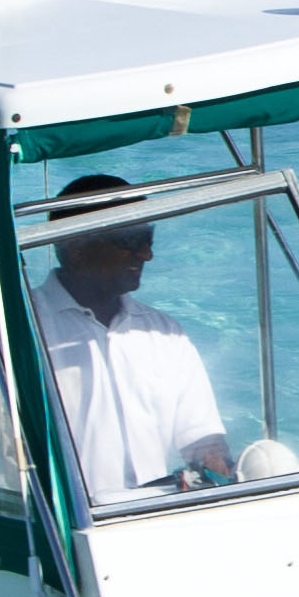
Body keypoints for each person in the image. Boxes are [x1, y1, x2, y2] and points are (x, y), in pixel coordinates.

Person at [25, 175, 236, 502]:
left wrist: (219, 474)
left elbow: (204, 441)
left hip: (154, 517)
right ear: (76, 247)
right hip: (64, 524)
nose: (146, 254)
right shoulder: (17, 330)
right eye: (131, 239)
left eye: (148, 237)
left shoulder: (165, 333)